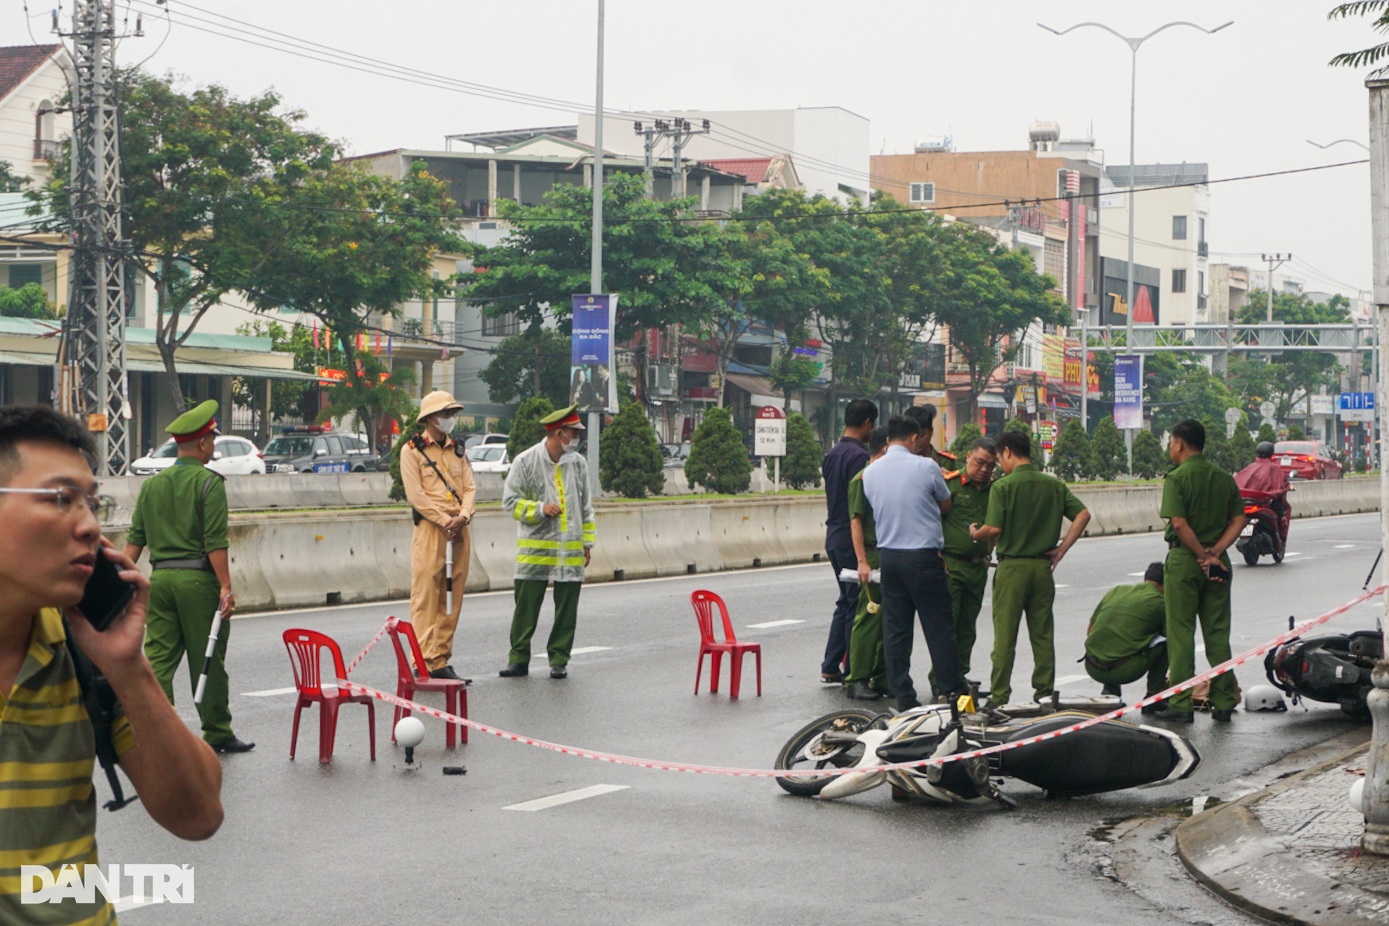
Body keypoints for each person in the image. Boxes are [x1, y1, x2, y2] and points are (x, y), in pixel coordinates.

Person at [0, 406, 223, 923]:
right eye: (60, 499)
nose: (88, 525)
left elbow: (200, 816)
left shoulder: (83, 655)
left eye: (92, 503)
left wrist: (128, 668)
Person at [124, 400, 253, 753]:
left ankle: (155, 729)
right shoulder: (209, 484)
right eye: (212, 439)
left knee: (159, 660)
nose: (214, 445)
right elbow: (215, 542)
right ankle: (217, 731)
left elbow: (134, 542)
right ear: (201, 444)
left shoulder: (152, 485)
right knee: (206, 658)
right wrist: (226, 586)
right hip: (197, 582)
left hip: (159, 581)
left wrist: (119, 582)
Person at [969, 428, 1090, 708]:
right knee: (1042, 635)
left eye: (999, 458)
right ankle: (1044, 694)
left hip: (1012, 570)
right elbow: (1083, 514)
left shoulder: (1003, 486)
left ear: (1007, 452)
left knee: (1005, 637)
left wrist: (976, 533)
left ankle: (999, 697)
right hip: (1042, 569)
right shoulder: (1053, 485)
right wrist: (1061, 549)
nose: (999, 464)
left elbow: (994, 528)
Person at [862, 415, 960, 711]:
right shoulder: (926, 466)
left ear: (889, 438)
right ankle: (952, 692)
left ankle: (904, 697)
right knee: (939, 627)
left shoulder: (871, 472)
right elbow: (945, 504)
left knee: (896, 631)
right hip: (923, 559)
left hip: (889, 559)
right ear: (915, 438)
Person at [1157, 419, 1246, 724]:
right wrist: (1216, 553)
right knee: (1218, 634)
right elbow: (1239, 520)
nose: (1171, 448)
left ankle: (1181, 704)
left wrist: (1199, 555)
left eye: (1171, 442)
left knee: (1181, 633)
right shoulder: (1224, 478)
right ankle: (1222, 701)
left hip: (1185, 561)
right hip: (1219, 564)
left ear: (1180, 443)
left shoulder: (1177, 478)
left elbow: (1179, 524)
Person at [499, 403, 596, 679]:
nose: (576, 437)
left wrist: (587, 543)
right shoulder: (525, 461)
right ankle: (518, 659)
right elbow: (510, 501)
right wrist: (540, 509)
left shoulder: (578, 464)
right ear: (557, 433)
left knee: (567, 610)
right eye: (572, 432)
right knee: (526, 609)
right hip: (535, 552)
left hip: (569, 550)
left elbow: (586, 506)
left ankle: (559, 659)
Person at [399, 391, 477, 682]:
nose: (450, 419)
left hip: (459, 530)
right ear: (431, 417)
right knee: (425, 596)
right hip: (432, 530)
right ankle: (420, 662)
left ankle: (440, 659)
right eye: (446, 414)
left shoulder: (458, 450)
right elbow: (416, 495)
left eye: (452, 413)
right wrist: (445, 520)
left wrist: (463, 516)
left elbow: (469, 488)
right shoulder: (412, 450)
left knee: (451, 597)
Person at [819, 398, 878, 684]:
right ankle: (849, 667)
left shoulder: (832, 453)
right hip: (850, 537)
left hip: (833, 534)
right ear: (867, 423)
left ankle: (831, 664)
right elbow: (860, 504)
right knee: (856, 603)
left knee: (846, 601)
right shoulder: (860, 457)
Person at [936, 437, 996, 689]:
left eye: (990, 465)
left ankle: (959, 675)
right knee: (947, 625)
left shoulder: (995, 490)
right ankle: (941, 680)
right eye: (980, 462)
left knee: (968, 626)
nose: (984, 469)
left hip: (977, 567)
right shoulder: (949, 484)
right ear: (968, 456)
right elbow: (931, 519)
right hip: (952, 565)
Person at [1082, 562, 1169, 711]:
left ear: (1145, 578)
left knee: (1114, 640)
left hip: (1092, 666)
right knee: (1166, 644)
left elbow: (1090, 631)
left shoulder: (1116, 590)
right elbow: (1171, 636)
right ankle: (1153, 696)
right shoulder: (1161, 602)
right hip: (1123, 671)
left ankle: (1110, 691)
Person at [843, 425, 889, 700]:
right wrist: (862, 561)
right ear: (885, 446)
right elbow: (856, 521)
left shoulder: (885, 478)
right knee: (869, 617)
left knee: (889, 619)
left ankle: (882, 675)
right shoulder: (862, 479)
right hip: (872, 554)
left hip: (890, 552)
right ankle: (857, 677)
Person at [1235, 441, 1291, 522]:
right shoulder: (1274, 468)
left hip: (1246, 502)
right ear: (1271, 453)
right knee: (1279, 505)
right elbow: (1281, 486)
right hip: (1261, 503)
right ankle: (1279, 523)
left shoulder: (1250, 467)